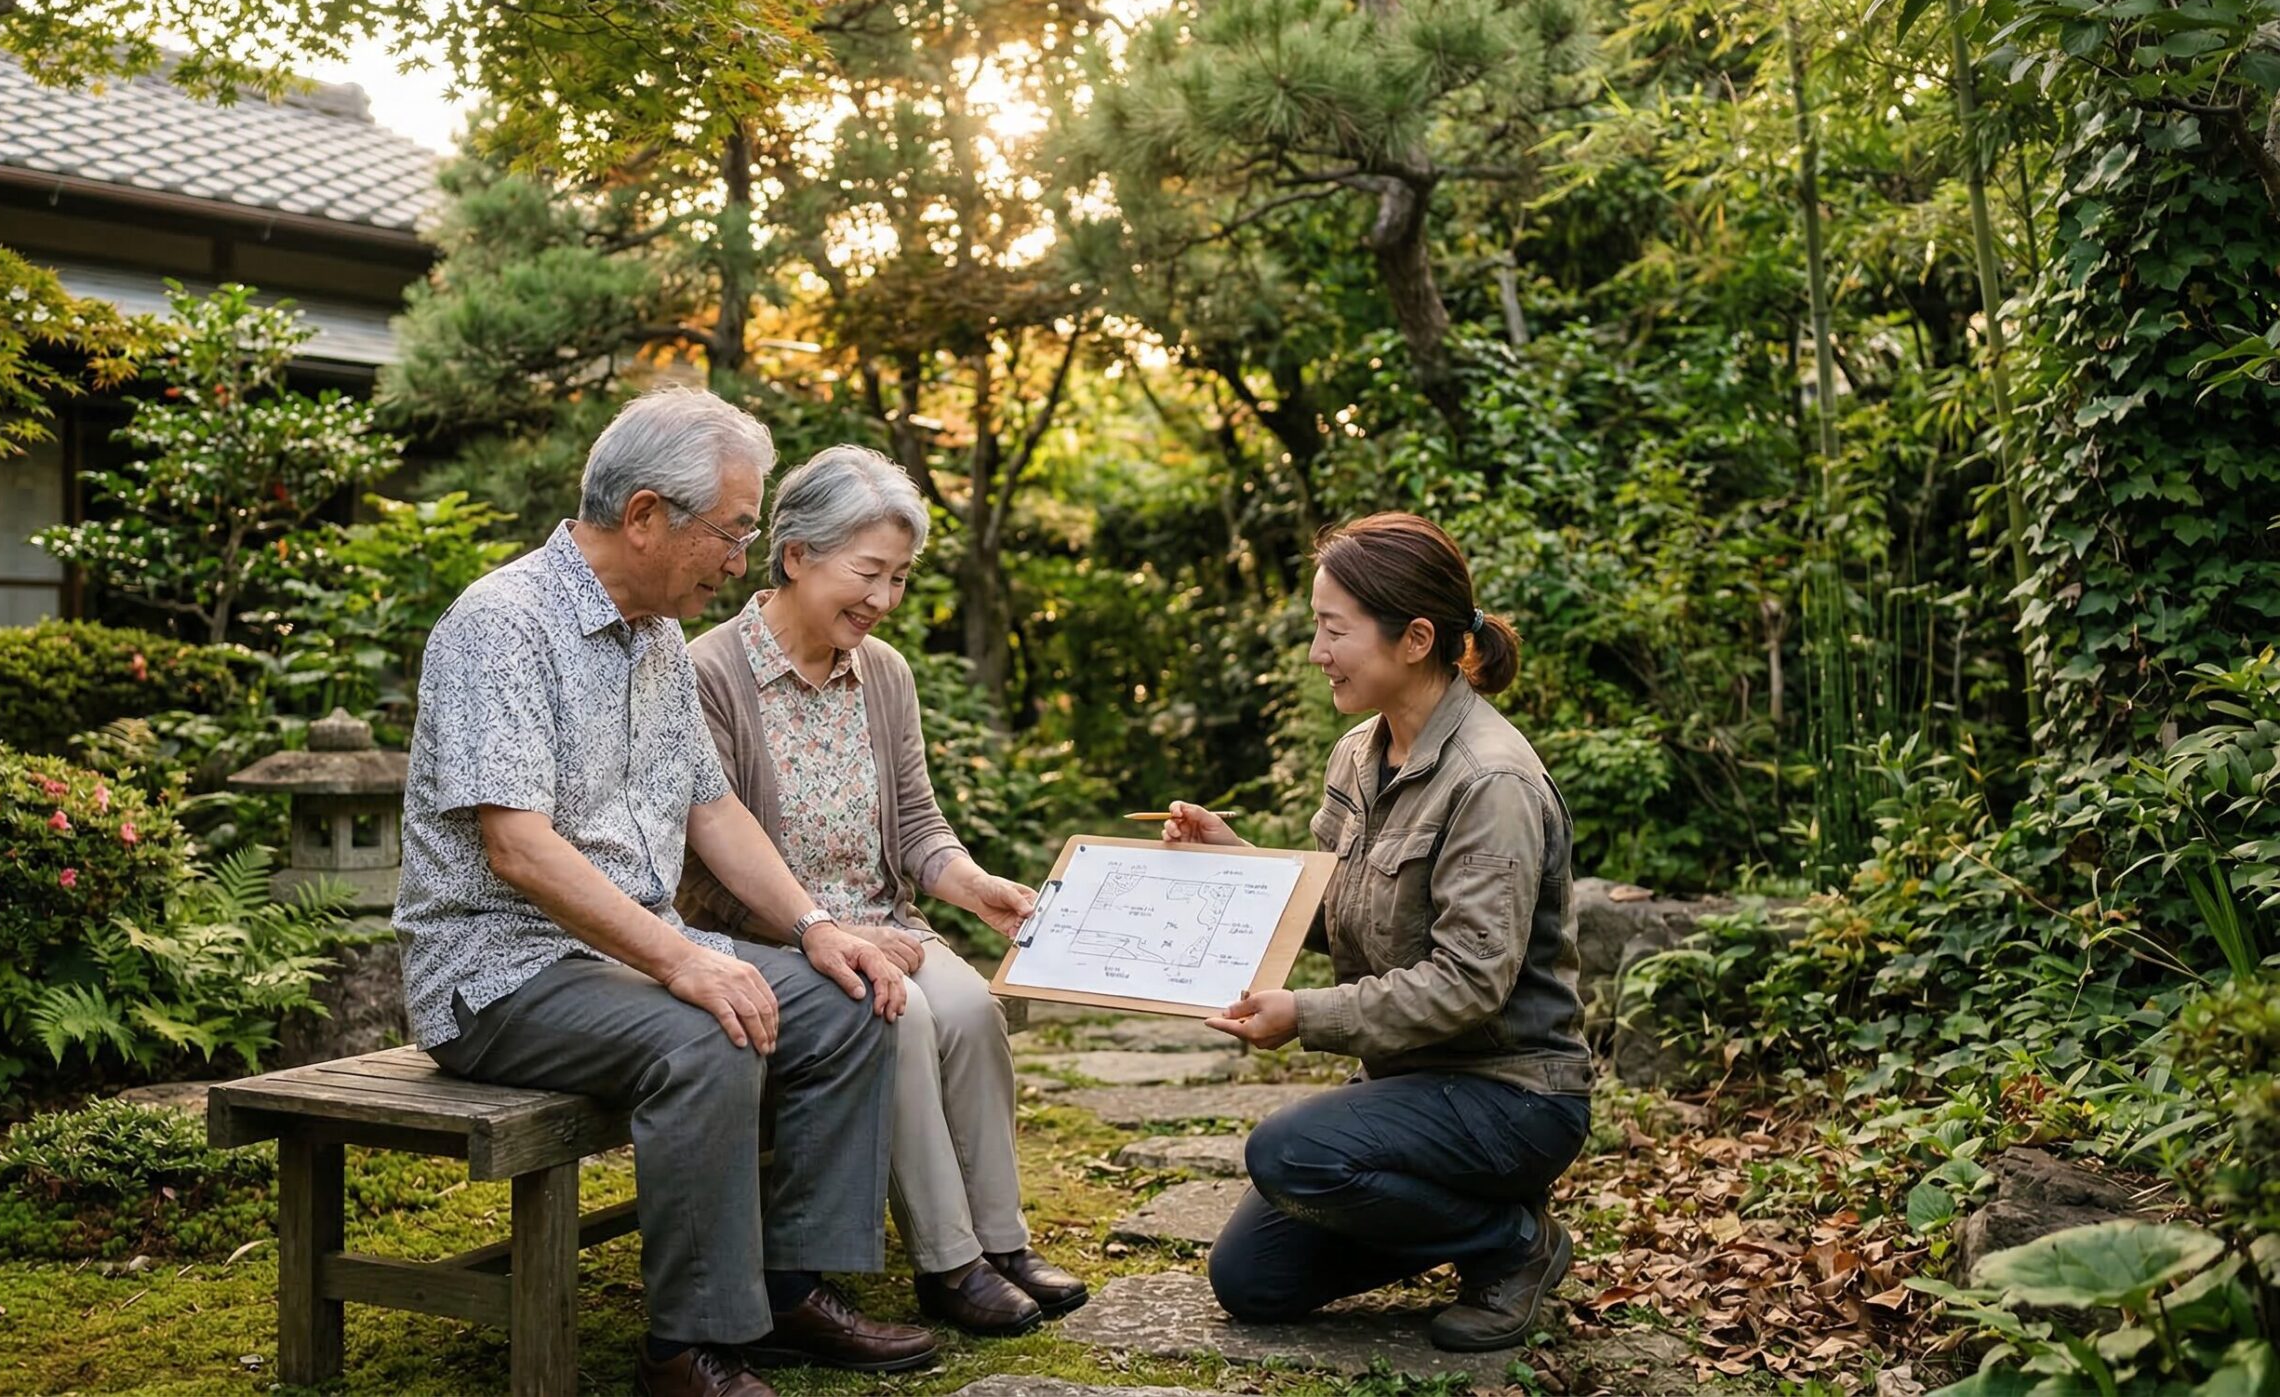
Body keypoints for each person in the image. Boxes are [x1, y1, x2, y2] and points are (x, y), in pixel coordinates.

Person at [393, 390, 933, 1397]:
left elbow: (712, 809)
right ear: (645, 515)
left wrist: (815, 927)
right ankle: (685, 1348)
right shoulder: (501, 626)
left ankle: (786, 1294)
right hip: (500, 972)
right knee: (710, 1028)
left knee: (852, 997)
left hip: (625, 955)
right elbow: (516, 849)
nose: (741, 559)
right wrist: (684, 957)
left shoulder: (652, 638)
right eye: (728, 532)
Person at [678, 445, 1087, 1336]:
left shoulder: (884, 673)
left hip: (885, 922)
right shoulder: (708, 673)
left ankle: (999, 1238)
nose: (884, 600)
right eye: (869, 574)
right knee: (897, 1017)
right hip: (777, 939)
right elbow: (702, 868)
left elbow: (916, 827)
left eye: (900, 578)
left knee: (974, 1009)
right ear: (796, 556)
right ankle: (947, 1263)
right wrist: (817, 932)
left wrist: (975, 888)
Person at [1162, 512, 1591, 1352]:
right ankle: (1468, 1222)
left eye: (1333, 630)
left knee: (1290, 1151)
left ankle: (1514, 1247)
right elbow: (1340, 907)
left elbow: (1471, 983)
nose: (1318, 651)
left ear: (1415, 637)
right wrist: (1238, 861)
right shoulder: (1360, 751)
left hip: (1513, 1095)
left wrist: (1305, 1015)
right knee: (1252, 1280)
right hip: (1409, 1088)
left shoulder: (1491, 780)